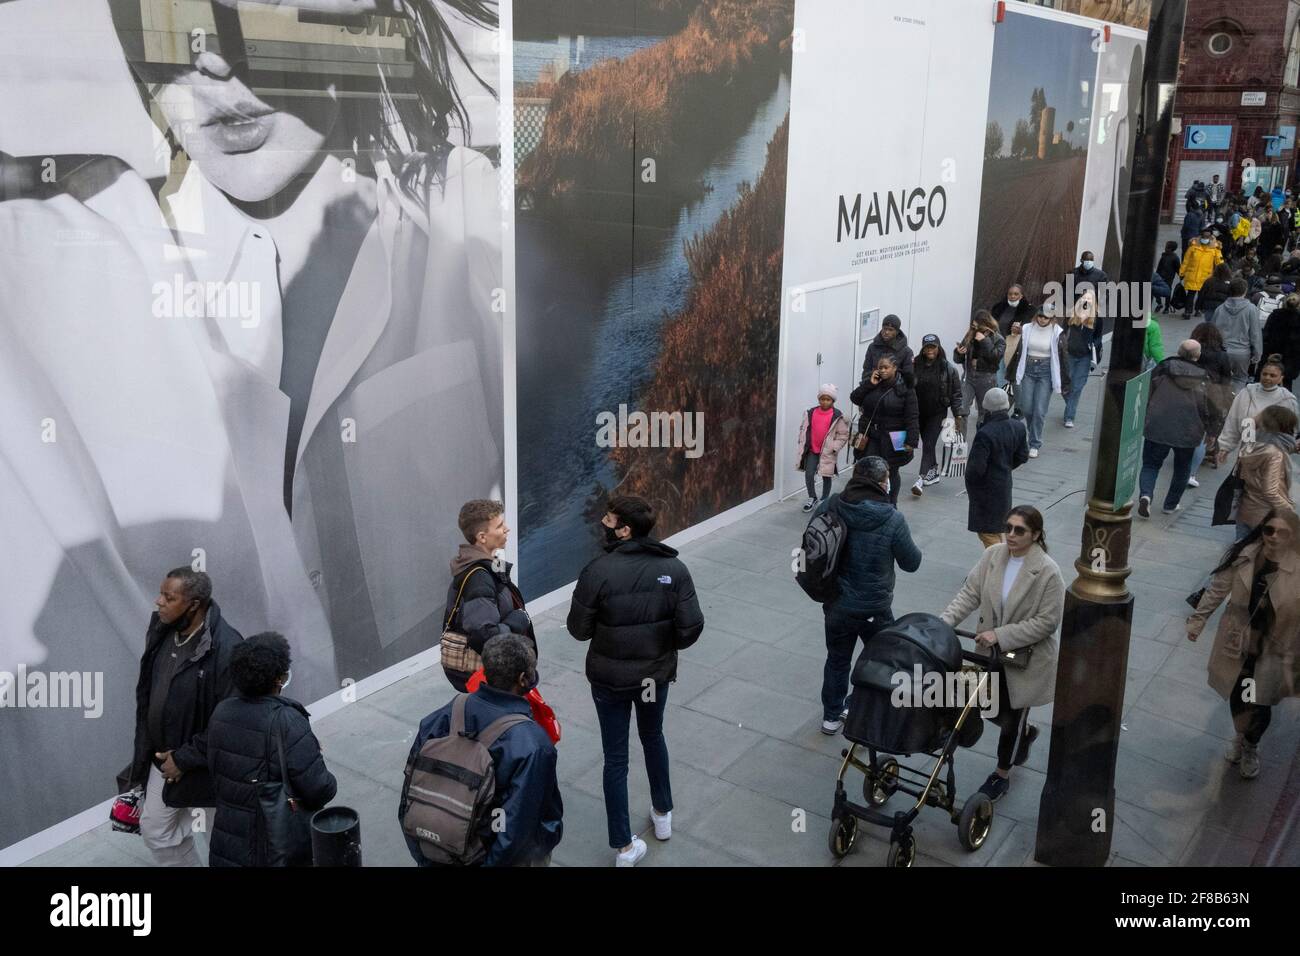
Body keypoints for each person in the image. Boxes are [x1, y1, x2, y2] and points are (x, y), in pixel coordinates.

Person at [0, 1, 507, 827]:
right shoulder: (77, 276)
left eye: (260, 16)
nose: (214, 65)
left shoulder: (463, 218)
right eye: (172, 28)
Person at [566, 496, 704, 867]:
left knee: (615, 758)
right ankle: (663, 816)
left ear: (624, 530)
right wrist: (660, 647)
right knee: (653, 737)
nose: (603, 524)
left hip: (608, 680)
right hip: (652, 679)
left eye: (609, 521)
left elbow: (578, 630)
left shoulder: (597, 571)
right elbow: (691, 628)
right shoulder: (674, 569)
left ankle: (623, 848)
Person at [404, 634, 563, 866]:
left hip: (437, 851)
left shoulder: (440, 718)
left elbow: (408, 796)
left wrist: (426, 858)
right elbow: (518, 829)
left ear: (485, 672)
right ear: (522, 679)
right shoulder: (533, 745)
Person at [940, 505, 1064, 802]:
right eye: (1008, 527)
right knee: (984, 705)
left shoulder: (1048, 572)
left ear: (1035, 534)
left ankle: (1001, 774)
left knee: (1011, 718)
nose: (1010, 535)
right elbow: (969, 594)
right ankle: (1026, 733)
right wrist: (941, 624)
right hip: (987, 653)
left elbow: (1047, 622)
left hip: (1024, 659)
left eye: (1019, 530)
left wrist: (1001, 635)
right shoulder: (992, 556)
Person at [125, 569, 243, 866]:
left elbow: (230, 722)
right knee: (155, 830)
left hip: (210, 765)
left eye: (169, 597)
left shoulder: (226, 647)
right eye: (161, 594)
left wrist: (185, 758)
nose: (158, 602)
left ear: (194, 604)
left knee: (226, 843)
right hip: (162, 759)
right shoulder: (162, 630)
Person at [204, 631, 337, 867]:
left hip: (227, 847)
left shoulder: (221, 713)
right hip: (272, 849)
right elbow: (320, 789)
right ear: (279, 678)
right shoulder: (287, 721)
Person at [1186, 509, 1300, 779]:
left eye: (1282, 532)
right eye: (1268, 530)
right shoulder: (1246, 556)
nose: (1273, 537)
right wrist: (1198, 620)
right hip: (1238, 643)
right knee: (1239, 696)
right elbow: (1217, 588)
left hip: (1274, 647)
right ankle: (1240, 735)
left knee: (1261, 703)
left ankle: (1251, 745)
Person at [814, 456, 921, 735]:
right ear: (882, 483)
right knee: (881, 659)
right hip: (875, 607)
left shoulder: (833, 504)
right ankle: (855, 705)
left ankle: (831, 715)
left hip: (837, 602)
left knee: (837, 659)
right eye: (887, 479)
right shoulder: (892, 518)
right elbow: (912, 562)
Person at [444, 500, 537, 692]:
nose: (507, 529)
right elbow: (484, 637)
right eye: (500, 526)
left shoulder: (489, 563)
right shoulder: (479, 579)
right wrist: (516, 621)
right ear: (482, 537)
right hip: (495, 677)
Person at [1137, 341, 1212, 519]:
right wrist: (1212, 430)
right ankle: (1170, 504)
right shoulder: (1203, 377)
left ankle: (1146, 494)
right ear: (1197, 355)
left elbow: (1147, 392)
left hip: (1158, 424)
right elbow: (1208, 407)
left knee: (1150, 464)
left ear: (1178, 352)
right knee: (1182, 468)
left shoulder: (1164, 368)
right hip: (1189, 429)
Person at [851, 354, 919, 505]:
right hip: (872, 435)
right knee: (868, 469)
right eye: (880, 367)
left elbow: (912, 416)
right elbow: (855, 398)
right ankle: (870, 501)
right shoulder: (872, 383)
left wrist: (911, 440)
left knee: (891, 471)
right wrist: (869, 384)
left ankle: (891, 503)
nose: (882, 370)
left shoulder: (905, 387)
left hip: (895, 436)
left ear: (895, 368)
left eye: (886, 367)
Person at [966, 389, 1030, 548]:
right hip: (1004, 484)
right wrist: (1006, 466)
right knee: (997, 528)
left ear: (987, 406)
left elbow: (975, 469)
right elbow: (1023, 456)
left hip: (986, 490)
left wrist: (973, 485)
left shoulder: (985, 433)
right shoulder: (1018, 427)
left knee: (987, 532)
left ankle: (998, 566)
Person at [1007, 304, 1068, 457]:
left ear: (1052, 318)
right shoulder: (1027, 328)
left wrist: (1064, 379)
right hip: (1027, 368)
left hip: (1046, 371)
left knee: (1039, 411)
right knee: (1026, 408)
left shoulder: (1057, 332)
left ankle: (1034, 443)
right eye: (1040, 316)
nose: (1042, 319)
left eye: (1046, 317)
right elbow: (1018, 348)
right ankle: (1032, 430)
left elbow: (1062, 357)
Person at [1216, 356, 1300, 463]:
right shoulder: (1247, 392)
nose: (1267, 378)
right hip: (1247, 450)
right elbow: (1232, 420)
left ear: (1281, 378)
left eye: (1273, 375)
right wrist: (1225, 447)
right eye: (1264, 374)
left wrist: (1288, 447)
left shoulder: (1288, 400)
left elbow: (1292, 430)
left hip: (1272, 454)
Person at [911, 335, 966, 496]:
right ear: (923, 349)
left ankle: (920, 479)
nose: (930, 350)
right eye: (927, 347)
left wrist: (958, 416)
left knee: (928, 444)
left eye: (933, 347)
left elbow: (956, 394)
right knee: (927, 443)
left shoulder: (948, 369)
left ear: (938, 348)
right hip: (919, 412)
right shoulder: (915, 365)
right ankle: (933, 471)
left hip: (937, 413)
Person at [1233, 405, 1298, 542]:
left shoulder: (1251, 444)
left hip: (1246, 508)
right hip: (1265, 514)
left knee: (1240, 551)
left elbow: (1264, 459)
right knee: (1258, 557)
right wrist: (1289, 511)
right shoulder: (1276, 454)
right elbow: (1270, 491)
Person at [796, 384, 850, 511]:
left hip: (827, 451)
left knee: (826, 475)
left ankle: (824, 499)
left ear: (833, 401)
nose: (825, 402)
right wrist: (802, 443)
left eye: (828, 399)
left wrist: (834, 447)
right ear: (818, 399)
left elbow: (843, 435)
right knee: (809, 474)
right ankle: (812, 497)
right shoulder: (811, 412)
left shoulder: (837, 416)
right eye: (822, 399)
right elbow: (804, 429)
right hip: (812, 450)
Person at [954, 310, 1006, 430]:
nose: (975, 328)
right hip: (969, 377)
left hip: (987, 378)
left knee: (985, 412)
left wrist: (984, 341)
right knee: (961, 410)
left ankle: (982, 441)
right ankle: (961, 442)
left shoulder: (998, 338)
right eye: (973, 326)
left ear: (986, 325)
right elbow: (958, 359)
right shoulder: (970, 334)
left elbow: (995, 358)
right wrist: (959, 353)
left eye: (977, 326)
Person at [1210, 278, 1264, 391]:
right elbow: (1255, 334)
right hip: (1242, 352)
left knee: (1221, 379)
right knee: (1240, 379)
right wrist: (1257, 353)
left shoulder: (1220, 309)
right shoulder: (1251, 309)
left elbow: (1212, 331)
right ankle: (1235, 402)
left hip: (1222, 351)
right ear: (1245, 291)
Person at [1060, 289, 1099, 428]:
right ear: (1080, 300)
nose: (1087, 301)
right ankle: (1071, 404)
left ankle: (1069, 417)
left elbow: (1098, 337)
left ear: (1093, 302)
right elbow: (1062, 333)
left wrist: (1095, 345)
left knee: (1077, 387)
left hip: (1085, 357)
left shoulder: (1096, 318)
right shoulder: (1071, 315)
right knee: (1065, 385)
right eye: (1085, 298)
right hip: (1069, 354)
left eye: (1090, 299)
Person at [990, 284, 1034, 385]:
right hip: (998, 344)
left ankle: (1009, 397)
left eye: (1016, 294)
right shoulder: (998, 308)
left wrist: (1022, 330)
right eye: (1010, 294)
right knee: (999, 373)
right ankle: (1002, 397)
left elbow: (1033, 329)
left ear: (1021, 296)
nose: (1012, 296)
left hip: (1016, 347)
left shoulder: (1030, 311)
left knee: (1011, 374)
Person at [862, 314, 916, 388]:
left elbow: (908, 378)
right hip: (874, 389)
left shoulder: (907, 352)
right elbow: (866, 370)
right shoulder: (872, 347)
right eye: (885, 328)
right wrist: (870, 380)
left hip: (894, 392)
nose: (886, 332)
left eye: (890, 330)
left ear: (897, 332)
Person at [1180, 227, 1224, 317]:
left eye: (1208, 236)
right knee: (1190, 294)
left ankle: (1198, 310)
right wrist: (1182, 272)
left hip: (1206, 276)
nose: (1205, 238)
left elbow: (1219, 262)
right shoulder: (1193, 246)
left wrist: (1222, 274)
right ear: (1201, 236)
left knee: (1202, 295)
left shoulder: (1215, 248)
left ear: (1211, 237)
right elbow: (1186, 261)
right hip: (1192, 274)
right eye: (1204, 236)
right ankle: (1188, 311)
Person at [1261, 293, 1300, 390]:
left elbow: (1266, 335)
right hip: (1291, 359)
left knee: (1267, 385)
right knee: (1286, 388)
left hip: (1272, 356)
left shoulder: (1275, 315)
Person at [1157, 240, 1181, 313]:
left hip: (1169, 278)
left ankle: (1167, 307)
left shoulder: (1175, 258)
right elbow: (1159, 266)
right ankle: (1159, 303)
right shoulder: (1164, 255)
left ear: (1171, 249)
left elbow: (1178, 268)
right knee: (1155, 290)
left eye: (1167, 247)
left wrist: (1181, 276)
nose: (1165, 248)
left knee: (1167, 292)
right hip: (1160, 276)